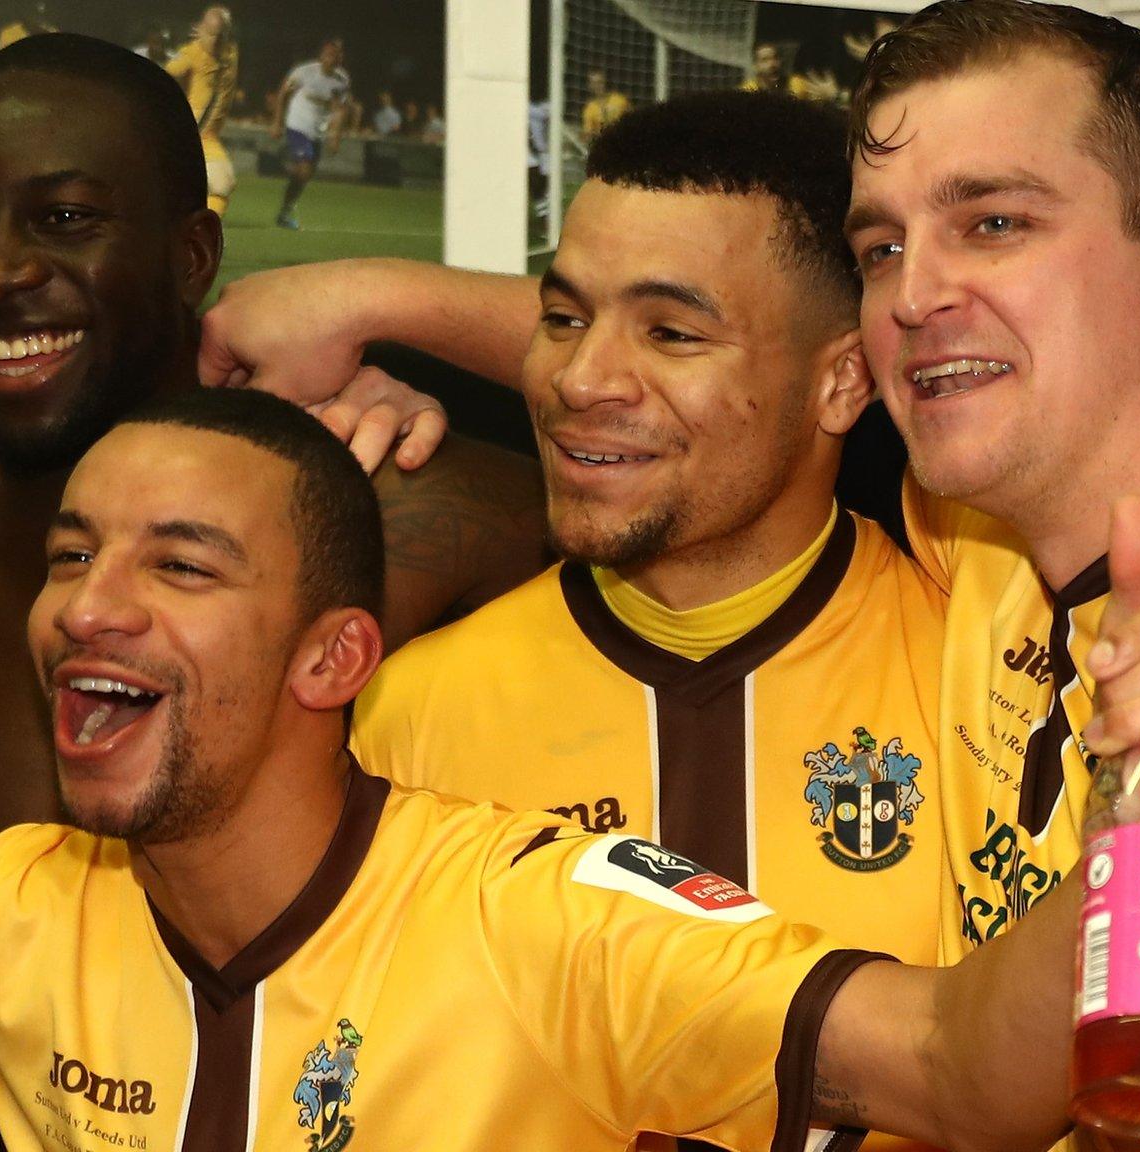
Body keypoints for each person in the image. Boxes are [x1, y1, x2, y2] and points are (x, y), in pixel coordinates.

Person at [194, 2, 1140, 1145]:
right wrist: (369, 299)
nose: (915, 292)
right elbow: (733, 363)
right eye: (885, 244)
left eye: (992, 221)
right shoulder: (989, 540)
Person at [0, 385, 1082, 1152]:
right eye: (73, 554)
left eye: (183, 568)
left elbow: (966, 1075)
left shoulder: (541, 922)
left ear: (332, 658)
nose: (88, 608)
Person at [353, 92, 952, 1006]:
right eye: (561, 319)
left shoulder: (980, 682)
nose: (581, 379)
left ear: (842, 382)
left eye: (671, 333)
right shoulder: (412, 716)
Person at [0, 35, 546, 858]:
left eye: (64, 218)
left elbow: (737, 415)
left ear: (194, 256)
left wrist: (381, 298)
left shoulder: (390, 497)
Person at [164, 5, 241, 216]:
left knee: (222, 184)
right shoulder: (191, 53)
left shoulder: (231, 53)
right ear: (198, 28)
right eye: (211, 29)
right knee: (218, 184)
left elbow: (219, 41)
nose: (215, 37)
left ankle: (202, 232)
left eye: (221, 30)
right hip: (191, 133)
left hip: (209, 137)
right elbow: (161, 77)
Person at [270, 37, 351, 230]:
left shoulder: (342, 80)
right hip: (297, 125)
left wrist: (334, 136)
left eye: (338, 54)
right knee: (304, 169)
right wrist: (276, 122)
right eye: (330, 54)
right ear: (322, 55)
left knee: (306, 173)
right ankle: (288, 161)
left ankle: (285, 210)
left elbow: (340, 109)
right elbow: (282, 93)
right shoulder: (304, 72)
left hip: (317, 132)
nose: (334, 58)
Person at [580, 68, 629, 142]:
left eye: (600, 82)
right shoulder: (589, 109)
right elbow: (588, 134)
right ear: (590, 86)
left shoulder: (620, 100)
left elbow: (632, 120)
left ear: (605, 82)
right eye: (594, 83)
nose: (597, 86)